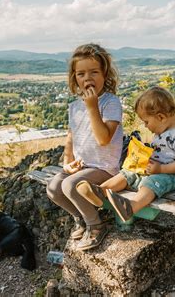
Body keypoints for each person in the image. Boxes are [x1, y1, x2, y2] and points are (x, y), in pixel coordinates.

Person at [76, 86, 175, 222]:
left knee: (151, 182)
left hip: (172, 176)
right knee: (127, 173)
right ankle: (99, 192)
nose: (145, 126)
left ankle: (131, 207)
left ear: (161, 117)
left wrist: (161, 169)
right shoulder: (162, 131)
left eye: (146, 122)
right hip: (154, 170)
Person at [46, 43, 123, 251]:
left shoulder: (110, 102)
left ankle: (96, 225)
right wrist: (67, 162)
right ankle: (81, 218)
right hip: (82, 166)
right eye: (81, 74)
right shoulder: (75, 106)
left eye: (94, 72)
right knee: (53, 187)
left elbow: (104, 139)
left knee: (70, 185)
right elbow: (71, 137)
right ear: (75, 78)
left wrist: (92, 107)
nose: (87, 78)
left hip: (104, 169)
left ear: (105, 74)